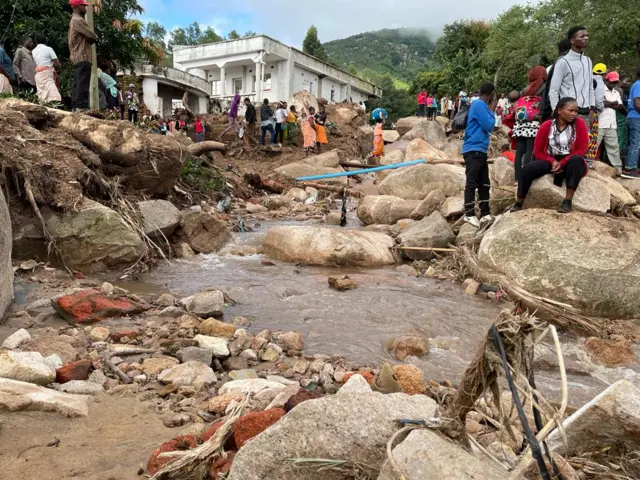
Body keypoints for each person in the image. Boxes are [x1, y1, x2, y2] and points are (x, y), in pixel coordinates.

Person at [512, 97, 589, 213]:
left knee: (577, 160)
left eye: (576, 111)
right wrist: (552, 161)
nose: (574, 114)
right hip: (551, 159)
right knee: (526, 169)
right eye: (571, 110)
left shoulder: (579, 124)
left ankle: (567, 201)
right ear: (559, 111)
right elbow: (537, 151)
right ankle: (519, 202)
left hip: (570, 160)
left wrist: (562, 162)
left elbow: (581, 150)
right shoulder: (546, 126)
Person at [462, 82, 496, 227]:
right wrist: (492, 109)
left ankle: (485, 213)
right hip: (473, 149)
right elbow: (489, 125)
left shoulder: (480, 105)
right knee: (472, 182)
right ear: (491, 94)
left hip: (479, 149)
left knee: (484, 183)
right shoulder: (479, 105)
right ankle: (469, 214)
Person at [548, 27, 595, 130]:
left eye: (587, 35)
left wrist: (592, 108)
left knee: (583, 144)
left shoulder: (587, 60)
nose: (586, 38)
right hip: (568, 114)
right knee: (568, 144)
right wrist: (557, 112)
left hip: (586, 113)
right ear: (572, 40)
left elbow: (590, 86)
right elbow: (554, 90)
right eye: (582, 36)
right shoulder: (563, 62)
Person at [513, 66, 547, 183]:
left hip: (520, 125)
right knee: (529, 151)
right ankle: (526, 177)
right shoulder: (544, 88)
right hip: (533, 125)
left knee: (519, 151)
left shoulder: (524, 90)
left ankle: (517, 178)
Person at [68, 0, 97, 110]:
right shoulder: (78, 20)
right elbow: (93, 36)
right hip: (83, 55)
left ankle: (76, 106)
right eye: (83, 6)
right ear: (77, 6)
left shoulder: (73, 20)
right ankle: (81, 107)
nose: (85, 8)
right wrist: (92, 37)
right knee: (83, 84)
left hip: (77, 57)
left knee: (78, 83)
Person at [596, 71, 624, 175]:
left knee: (614, 147)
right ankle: (586, 164)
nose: (613, 84)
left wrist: (609, 103)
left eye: (615, 82)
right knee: (594, 145)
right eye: (612, 82)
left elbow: (620, 106)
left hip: (611, 124)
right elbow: (602, 103)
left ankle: (618, 168)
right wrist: (613, 103)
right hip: (599, 123)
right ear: (606, 80)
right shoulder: (600, 90)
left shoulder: (616, 92)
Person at [32, 33, 61, 103]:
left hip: (38, 75)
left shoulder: (33, 51)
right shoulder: (48, 49)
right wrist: (59, 66)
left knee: (42, 96)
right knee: (54, 95)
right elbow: (56, 62)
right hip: (47, 74)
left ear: (35, 41)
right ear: (46, 40)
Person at [624, 68, 640, 178]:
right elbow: (637, 102)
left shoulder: (636, 84)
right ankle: (629, 168)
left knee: (636, 142)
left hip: (634, 117)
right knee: (636, 142)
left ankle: (633, 166)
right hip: (636, 117)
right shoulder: (639, 84)